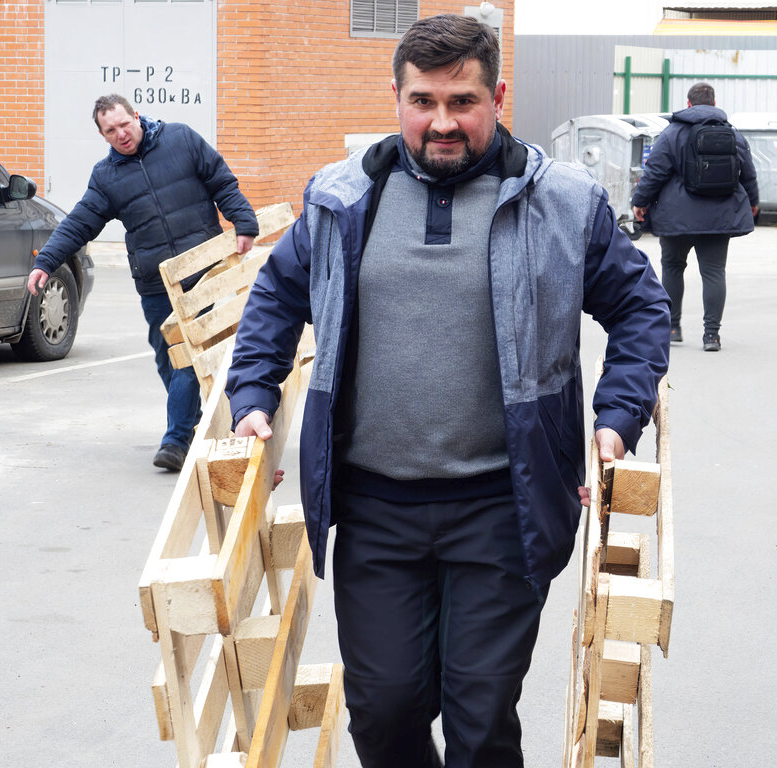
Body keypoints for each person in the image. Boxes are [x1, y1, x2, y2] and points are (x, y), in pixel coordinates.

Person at [226, 15, 670, 767]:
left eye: (461, 101)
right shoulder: (341, 200)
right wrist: (252, 394)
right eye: (422, 101)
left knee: (480, 712)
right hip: (374, 508)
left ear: (497, 95)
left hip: (503, 506)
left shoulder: (563, 202)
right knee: (385, 707)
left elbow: (640, 310)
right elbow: (275, 297)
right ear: (396, 98)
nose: (441, 122)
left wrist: (616, 418)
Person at [29, 94, 259, 471]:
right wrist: (48, 262)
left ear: (137, 116)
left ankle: (176, 439)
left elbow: (221, 180)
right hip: (155, 281)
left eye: (124, 124)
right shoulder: (107, 178)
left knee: (187, 349)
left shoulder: (181, 139)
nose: (121, 134)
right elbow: (78, 223)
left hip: (201, 269)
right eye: (110, 131)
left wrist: (244, 223)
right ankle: (196, 422)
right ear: (102, 136)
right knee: (167, 354)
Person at [631, 82, 759, 352]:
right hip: (719, 216)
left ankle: (673, 328)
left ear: (688, 104)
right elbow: (748, 173)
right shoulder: (733, 134)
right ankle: (711, 336)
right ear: (714, 103)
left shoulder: (672, 133)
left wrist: (639, 202)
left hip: (676, 217)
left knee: (673, 268)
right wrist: (754, 203)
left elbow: (654, 171)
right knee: (713, 273)